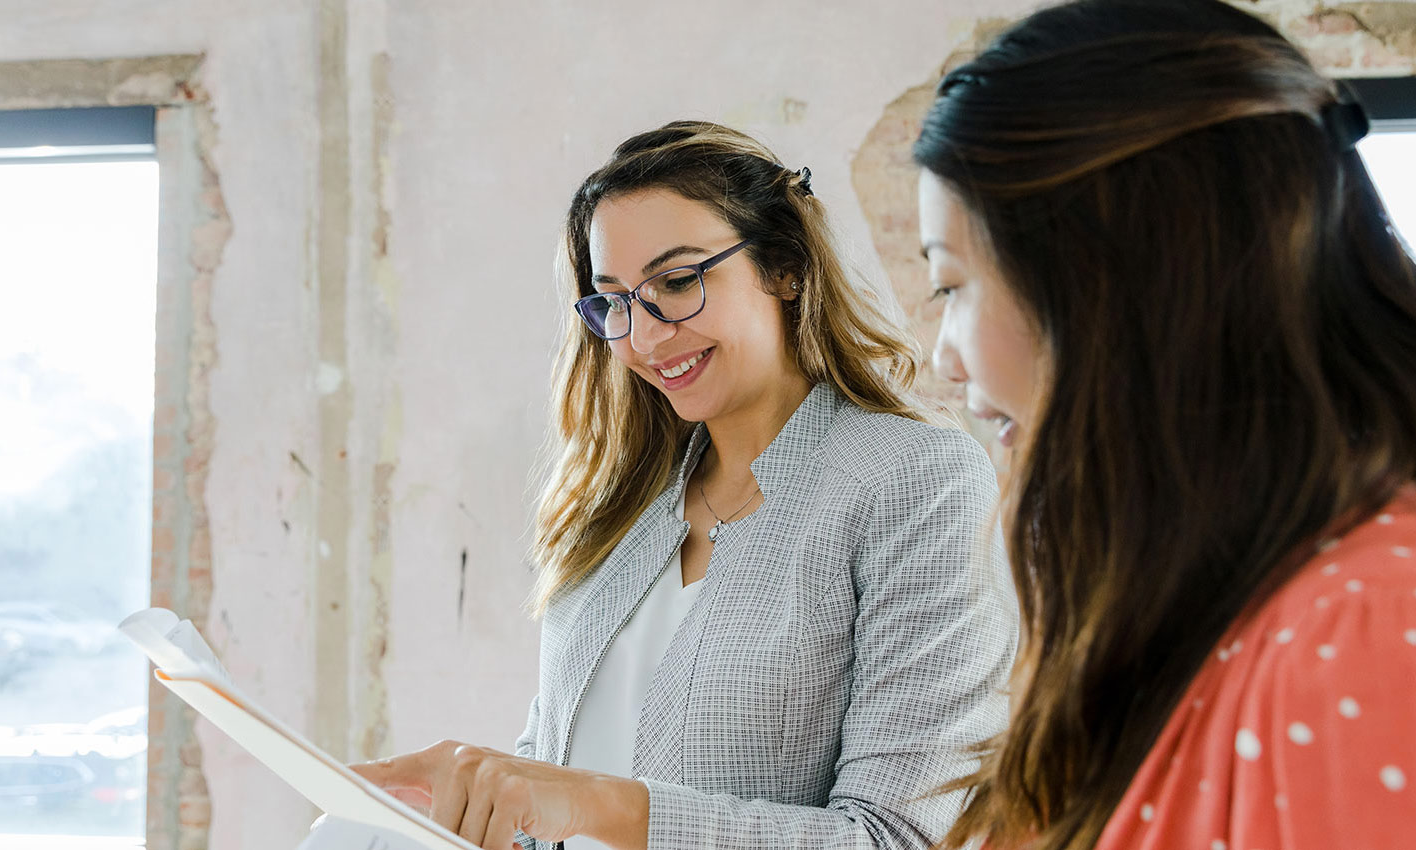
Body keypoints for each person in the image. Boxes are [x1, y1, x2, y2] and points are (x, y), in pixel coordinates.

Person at [911, 2, 1416, 849]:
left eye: (952, 286)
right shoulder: (1222, 607)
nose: (942, 358)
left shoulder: (1387, 636)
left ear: (1117, 287)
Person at [355, 121, 1017, 850]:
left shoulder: (915, 483)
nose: (643, 338)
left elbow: (901, 839)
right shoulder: (620, 505)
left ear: (785, 269)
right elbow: (555, 783)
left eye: (677, 282)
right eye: (613, 301)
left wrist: (597, 807)